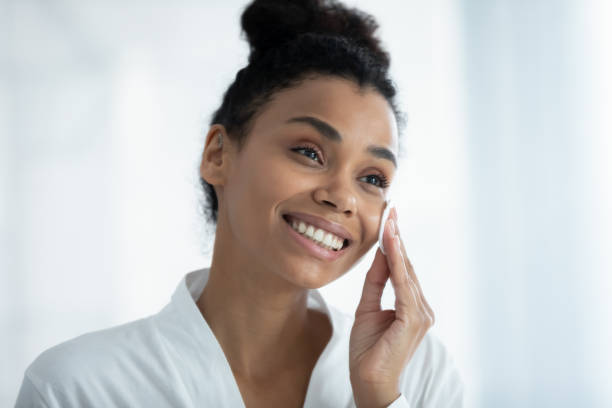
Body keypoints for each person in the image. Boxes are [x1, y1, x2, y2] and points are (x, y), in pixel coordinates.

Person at [15, 0, 463, 407]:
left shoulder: (419, 374)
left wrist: (380, 398)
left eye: (371, 178)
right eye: (309, 152)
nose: (342, 196)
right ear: (218, 155)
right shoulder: (75, 388)